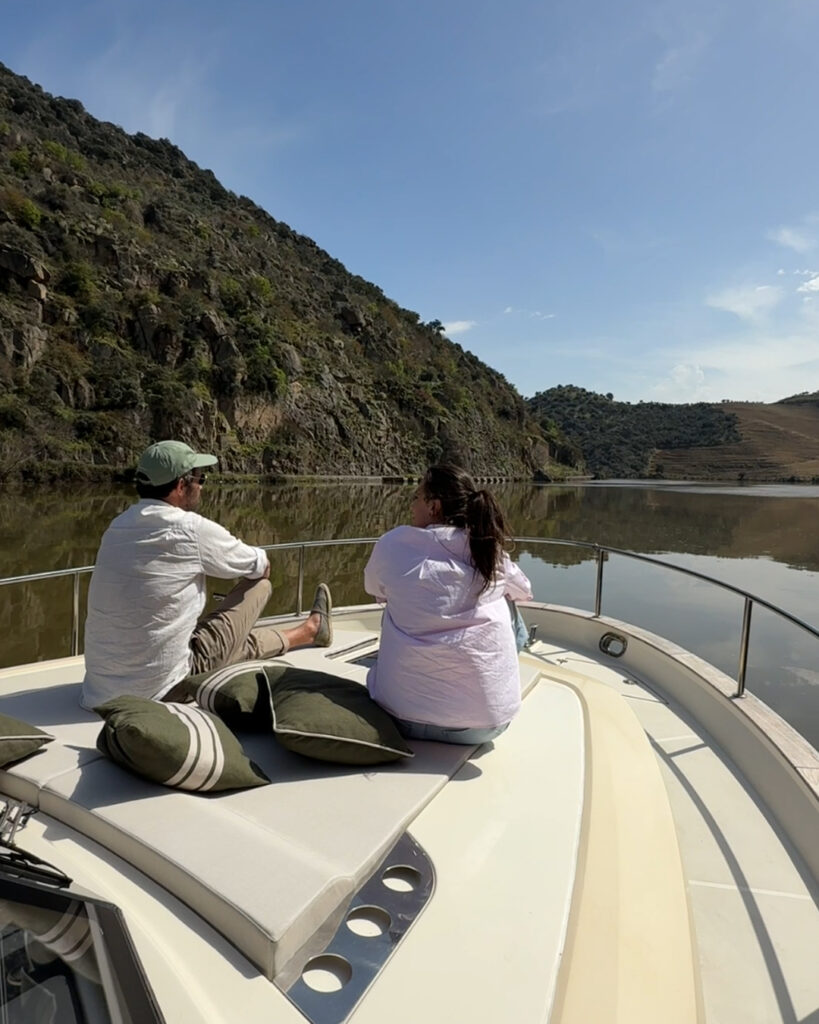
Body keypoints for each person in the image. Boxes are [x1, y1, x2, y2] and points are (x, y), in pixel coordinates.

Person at [81, 440, 332, 710]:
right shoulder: (189, 528)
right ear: (180, 486)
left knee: (221, 646)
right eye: (200, 478)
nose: (202, 485)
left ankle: (308, 631)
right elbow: (261, 565)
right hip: (166, 690)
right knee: (260, 585)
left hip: (99, 692)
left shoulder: (116, 526)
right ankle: (309, 631)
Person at [363, 464, 533, 744]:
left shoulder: (392, 544)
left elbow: (373, 588)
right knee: (507, 597)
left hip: (400, 716)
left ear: (434, 507)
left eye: (416, 497)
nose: (411, 504)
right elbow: (525, 590)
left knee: (390, 602)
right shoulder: (488, 550)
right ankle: (505, 668)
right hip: (484, 726)